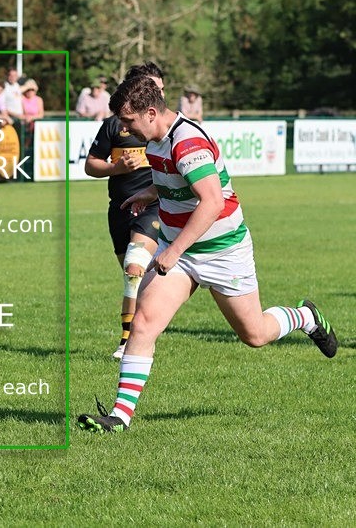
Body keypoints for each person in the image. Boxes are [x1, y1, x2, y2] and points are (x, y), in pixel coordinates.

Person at [77, 75, 339, 434]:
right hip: (179, 248)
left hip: (221, 251)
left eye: (128, 121)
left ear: (151, 112)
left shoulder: (187, 142)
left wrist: (174, 250)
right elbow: (176, 180)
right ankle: (119, 417)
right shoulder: (154, 140)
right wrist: (150, 195)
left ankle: (305, 316)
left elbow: (212, 201)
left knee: (255, 334)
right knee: (143, 322)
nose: (123, 128)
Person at [83, 62, 165, 359]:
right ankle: (150, 323)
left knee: (134, 267)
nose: (159, 93)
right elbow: (90, 164)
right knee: (138, 280)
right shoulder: (115, 125)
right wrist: (115, 167)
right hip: (119, 208)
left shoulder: (165, 128)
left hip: (153, 206)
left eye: (160, 88)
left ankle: (127, 341)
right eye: (153, 87)